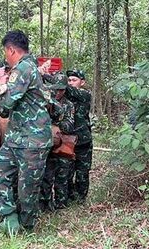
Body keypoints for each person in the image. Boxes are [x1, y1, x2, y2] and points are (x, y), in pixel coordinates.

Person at [0, 30, 52, 234]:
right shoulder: (28, 67)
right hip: (17, 138)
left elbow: (6, 107)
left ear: (11, 49)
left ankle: (26, 227)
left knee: (28, 189)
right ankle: (9, 218)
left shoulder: (22, 69)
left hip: (32, 140)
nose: (5, 57)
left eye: (6, 52)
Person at [40, 73, 75, 211]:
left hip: (62, 145)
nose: (58, 92)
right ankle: (44, 205)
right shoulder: (45, 102)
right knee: (46, 177)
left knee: (62, 176)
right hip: (47, 145)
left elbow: (69, 125)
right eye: (56, 89)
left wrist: (55, 125)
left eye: (61, 90)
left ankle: (61, 205)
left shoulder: (69, 105)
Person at [65, 69, 92, 203]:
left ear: (82, 82)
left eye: (74, 80)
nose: (70, 83)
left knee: (82, 171)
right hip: (67, 140)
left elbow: (69, 90)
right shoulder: (65, 96)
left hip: (83, 140)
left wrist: (45, 74)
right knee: (67, 171)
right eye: (68, 80)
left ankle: (81, 198)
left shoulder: (85, 94)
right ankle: (70, 196)